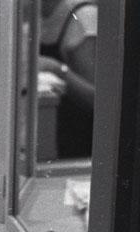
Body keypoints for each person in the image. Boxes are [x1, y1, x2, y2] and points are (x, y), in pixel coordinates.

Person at [39, 0, 96, 158]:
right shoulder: (38, 14)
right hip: (56, 133)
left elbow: (97, 99)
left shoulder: (82, 18)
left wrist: (56, 69)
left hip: (84, 143)